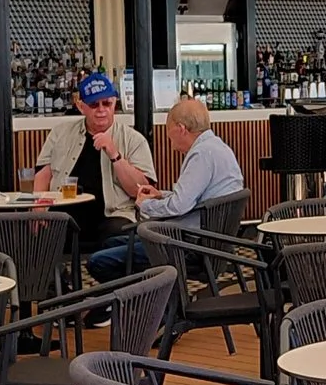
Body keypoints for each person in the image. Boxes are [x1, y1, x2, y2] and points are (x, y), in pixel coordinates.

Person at [84, 95, 244, 282]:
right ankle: (155, 302)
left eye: (170, 135)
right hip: (207, 242)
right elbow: (193, 198)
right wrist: (160, 195)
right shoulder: (218, 147)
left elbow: (178, 206)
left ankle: (148, 304)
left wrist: (146, 205)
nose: (173, 146)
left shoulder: (201, 154)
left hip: (188, 246)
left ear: (181, 129)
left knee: (99, 261)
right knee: (111, 244)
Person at [33, 71, 157, 273]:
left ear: (114, 104)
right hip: (65, 213)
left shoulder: (133, 139)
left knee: (117, 236)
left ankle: (114, 298)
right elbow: (43, 175)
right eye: (94, 105)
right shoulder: (60, 133)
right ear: (80, 106)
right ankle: (54, 292)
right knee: (34, 232)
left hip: (113, 214)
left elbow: (142, 190)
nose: (101, 110)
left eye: (106, 104)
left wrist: (115, 155)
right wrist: (38, 208)